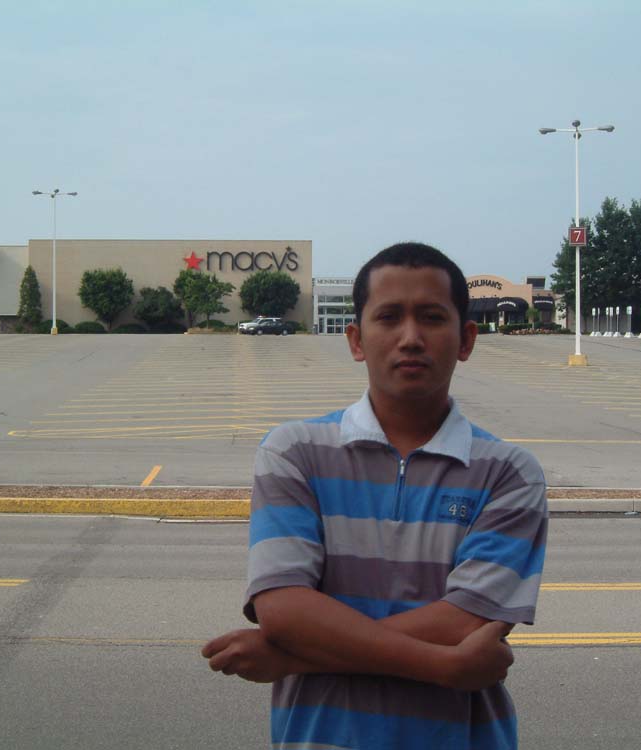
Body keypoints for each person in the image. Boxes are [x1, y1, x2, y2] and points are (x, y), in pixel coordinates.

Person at [203, 242, 548, 749]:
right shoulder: (295, 452)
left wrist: (291, 656)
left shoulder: (508, 473)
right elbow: (284, 610)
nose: (411, 337)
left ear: (466, 339)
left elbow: (464, 622)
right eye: (388, 317)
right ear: (356, 339)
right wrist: (445, 667)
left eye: (432, 317)